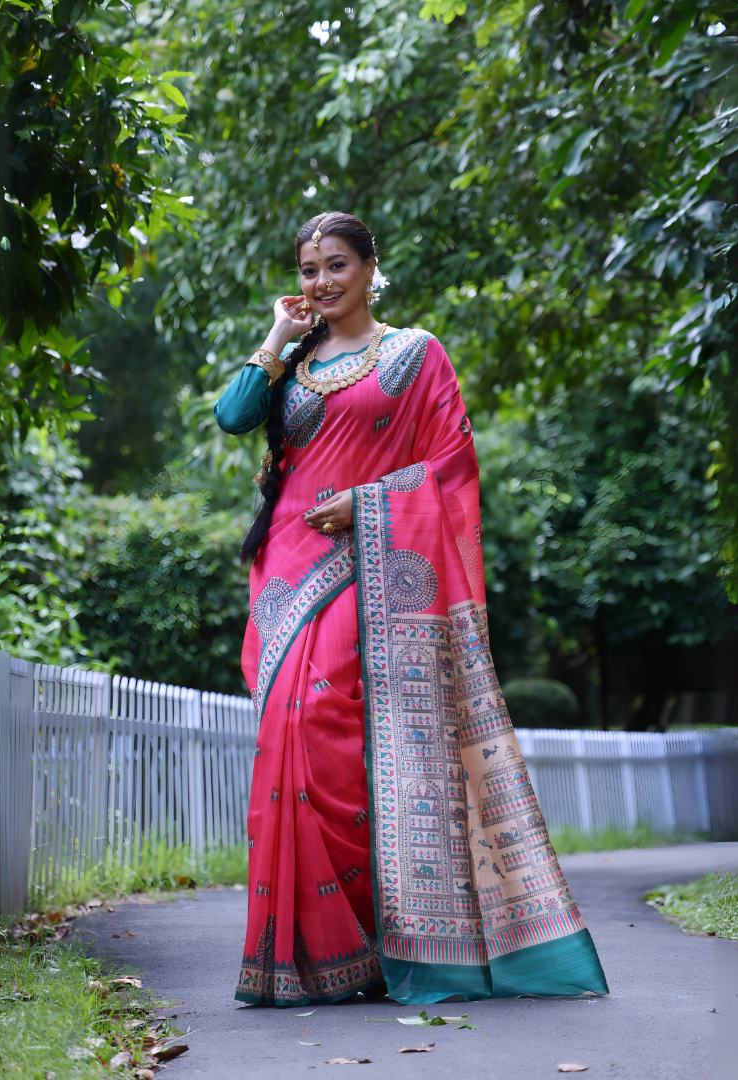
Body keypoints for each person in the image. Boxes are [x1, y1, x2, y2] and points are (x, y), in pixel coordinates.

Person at [214, 211, 608, 1007]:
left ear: (370, 268)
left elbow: (451, 467)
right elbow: (230, 416)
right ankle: (316, 955)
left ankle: (378, 932)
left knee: (332, 737)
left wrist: (368, 502)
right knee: (286, 735)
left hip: (377, 558)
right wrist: (273, 335)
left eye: (335, 266)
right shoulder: (292, 364)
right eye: (308, 270)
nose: (320, 282)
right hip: (289, 574)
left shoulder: (414, 354)